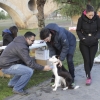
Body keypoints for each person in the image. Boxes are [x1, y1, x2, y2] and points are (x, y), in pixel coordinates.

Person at [76, 4, 100, 85]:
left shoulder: (97, 18)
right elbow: (78, 30)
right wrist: (82, 38)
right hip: (84, 43)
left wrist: (96, 38)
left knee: (91, 60)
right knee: (86, 60)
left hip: (94, 42)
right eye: (89, 15)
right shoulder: (81, 19)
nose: (91, 17)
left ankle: (88, 72)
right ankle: (88, 76)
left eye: (92, 15)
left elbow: (99, 30)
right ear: (85, 13)